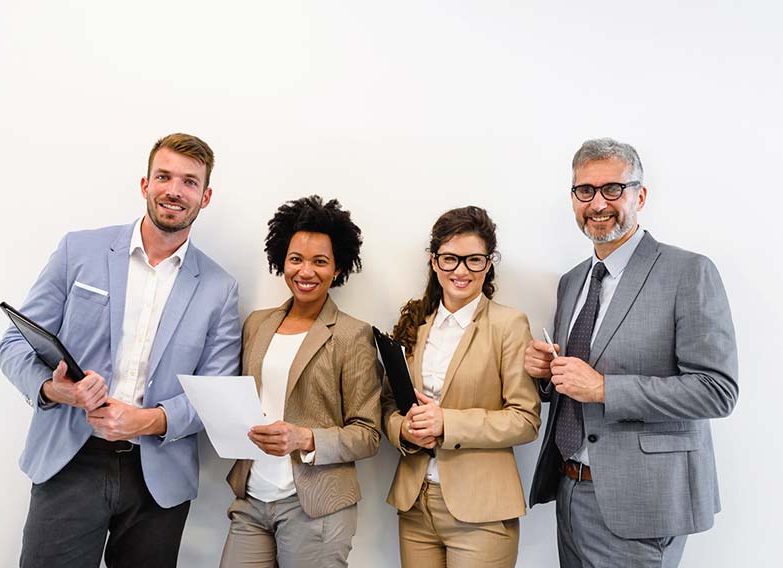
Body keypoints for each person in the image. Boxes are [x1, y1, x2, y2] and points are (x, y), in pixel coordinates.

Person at [0, 133, 242, 568]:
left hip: (159, 479)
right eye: (164, 176)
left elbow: (214, 395)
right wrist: (59, 392)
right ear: (145, 184)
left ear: (205, 197)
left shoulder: (220, 289)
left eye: (189, 182)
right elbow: (15, 341)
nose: (174, 190)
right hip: (70, 460)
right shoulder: (80, 250)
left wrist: (148, 420)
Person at [526, 138, 739, 567]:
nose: (597, 203)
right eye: (584, 190)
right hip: (570, 491)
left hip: (643, 503)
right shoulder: (572, 281)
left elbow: (718, 391)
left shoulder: (688, 272)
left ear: (639, 195)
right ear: (573, 199)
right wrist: (548, 376)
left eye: (612, 189)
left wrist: (605, 389)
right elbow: (580, 376)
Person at [220, 195, 381, 568]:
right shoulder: (257, 324)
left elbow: (368, 433)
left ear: (337, 268)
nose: (305, 271)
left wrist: (305, 438)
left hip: (316, 507)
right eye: (296, 259)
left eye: (319, 261)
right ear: (281, 260)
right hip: (251, 499)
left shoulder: (352, 334)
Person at [381, 206, 541, 568]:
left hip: (482, 512)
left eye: (474, 260)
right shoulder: (415, 324)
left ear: (489, 263)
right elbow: (389, 405)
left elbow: (525, 420)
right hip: (415, 504)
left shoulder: (509, 325)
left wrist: (446, 424)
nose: (461, 271)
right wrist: (403, 430)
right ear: (434, 262)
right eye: (451, 259)